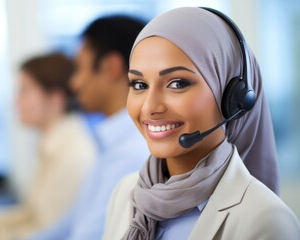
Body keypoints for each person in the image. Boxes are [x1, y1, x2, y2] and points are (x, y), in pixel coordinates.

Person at [103, 7, 300, 240]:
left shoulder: (267, 219)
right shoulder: (125, 193)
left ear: (232, 99)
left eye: (177, 84)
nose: (149, 107)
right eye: (139, 85)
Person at [0, 53, 96, 240]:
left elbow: (49, 234)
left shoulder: (74, 154)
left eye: (24, 91)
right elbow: (32, 215)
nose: (16, 102)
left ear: (56, 98)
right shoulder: (56, 144)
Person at [30, 16, 149, 240]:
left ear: (110, 67)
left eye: (79, 69)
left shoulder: (130, 154)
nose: (74, 83)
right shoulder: (110, 143)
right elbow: (71, 224)